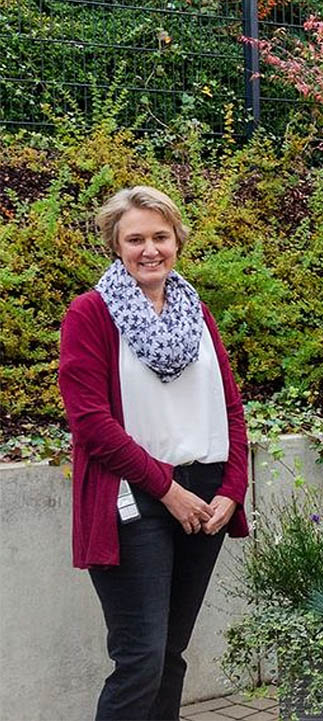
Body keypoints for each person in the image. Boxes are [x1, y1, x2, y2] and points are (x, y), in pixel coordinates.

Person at [58, 186, 249, 721]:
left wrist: (232, 489)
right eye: (135, 238)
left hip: (207, 494)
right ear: (115, 246)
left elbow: (231, 408)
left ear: (177, 241)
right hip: (134, 497)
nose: (149, 249)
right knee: (139, 658)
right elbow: (90, 423)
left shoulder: (196, 310)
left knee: (170, 655)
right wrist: (167, 489)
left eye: (160, 237)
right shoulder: (91, 314)